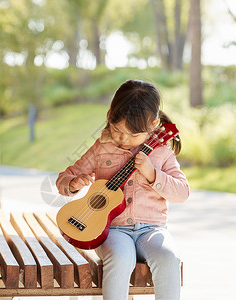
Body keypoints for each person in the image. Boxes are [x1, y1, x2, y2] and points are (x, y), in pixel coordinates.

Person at [56, 79, 190, 300]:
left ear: (154, 124)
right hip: (112, 231)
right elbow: (65, 176)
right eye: (118, 131)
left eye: (133, 135)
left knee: (168, 257)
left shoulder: (162, 153)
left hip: (151, 230)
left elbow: (182, 192)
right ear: (110, 115)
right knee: (120, 257)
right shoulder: (101, 148)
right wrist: (72, 183)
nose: (123, 139)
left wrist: (153, 174)